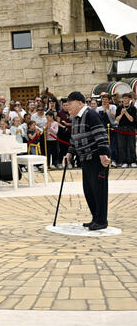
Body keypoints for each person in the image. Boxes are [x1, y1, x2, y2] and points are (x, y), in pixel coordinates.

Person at [64, 91, 111, 230]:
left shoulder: (91, 114)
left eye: (70, 104)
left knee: (99, 190)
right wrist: (69, 154)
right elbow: (74, 139)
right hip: (85, 160)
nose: (68, 107)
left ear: (79, 103)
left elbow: (101, 135)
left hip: (97, 159)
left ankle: (102, 221)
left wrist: (103, 154)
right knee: (89, 190)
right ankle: (95, 218)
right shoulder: (76, 118)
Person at [115, 93, 137, 168]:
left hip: (130, 128)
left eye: (126, 98)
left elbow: (132, 120)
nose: (124, 100)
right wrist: (121, 114)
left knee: (131, 145)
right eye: (123, 98)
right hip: (121, 128)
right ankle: (124, 161)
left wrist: (126, 113)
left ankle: (132, 161)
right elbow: (117, 119)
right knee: (122, 146)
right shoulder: (119, 108)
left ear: (130, 99)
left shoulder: (133, 108)